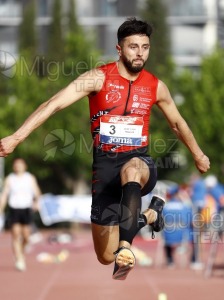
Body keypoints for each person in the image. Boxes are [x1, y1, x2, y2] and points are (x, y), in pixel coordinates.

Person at [0, 18, 210, 279]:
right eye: (133, 46)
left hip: (139, 162)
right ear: (119, 49)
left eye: (145, 47)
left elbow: (177, 124)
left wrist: (198, 154)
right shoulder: (96, 78)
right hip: (104, 169)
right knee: (105, 256)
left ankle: (127, 247)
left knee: (132, 171)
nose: (140, 53)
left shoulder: (156, 86)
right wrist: (16, 137)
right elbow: (54, 104)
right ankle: (151, 213)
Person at [0, 158, 41, 271]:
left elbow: (37, 192)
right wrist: (1, 208)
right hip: (14, 209)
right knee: (16, 234)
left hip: (26, 209)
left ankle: (21, 253)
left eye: (20, 165)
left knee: (27, 237)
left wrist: (37, 202)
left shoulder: (30, 178)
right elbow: (4, 195)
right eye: (16, 165)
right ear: (14, 167)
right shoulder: (10, 179)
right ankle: (19, 259)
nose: (18, 167)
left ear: (25, 166)